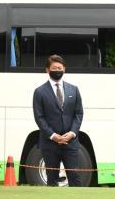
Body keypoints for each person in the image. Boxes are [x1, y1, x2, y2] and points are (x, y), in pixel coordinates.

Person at [32, 54, 85, 186]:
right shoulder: (39, 92)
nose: (57, 70)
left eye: (60, 68)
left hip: (70, 141)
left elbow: (78, 113)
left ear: (64, 69)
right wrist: (53, 136)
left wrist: (72, 133)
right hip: (49, 143)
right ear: (47, 70)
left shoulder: (74, 89)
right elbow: (39, 118)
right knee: (52, 179)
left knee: (74, 176)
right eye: (54, 68)